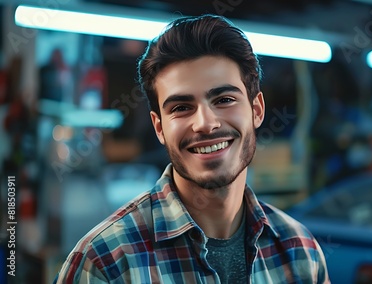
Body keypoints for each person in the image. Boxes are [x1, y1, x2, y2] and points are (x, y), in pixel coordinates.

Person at [55, 14, 329, 283]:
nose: (205, 124)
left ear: (256, 110)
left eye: (224, 99)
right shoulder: (104, 263)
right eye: (182, 108)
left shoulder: (301, 252)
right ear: (159, 127)